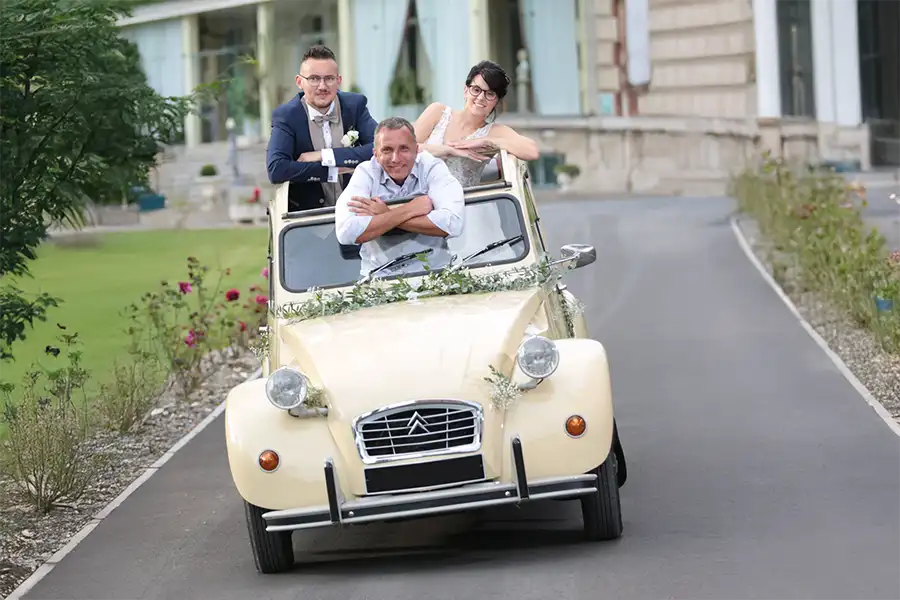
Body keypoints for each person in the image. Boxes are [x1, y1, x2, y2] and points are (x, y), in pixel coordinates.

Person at [335, 117, 465, 277]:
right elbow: (346, 232)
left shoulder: (432, 167)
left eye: (404, 149)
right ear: (375, 154)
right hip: (380, 276)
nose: (395, 158)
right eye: (387, 150)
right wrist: (410, 210)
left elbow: (453, 223)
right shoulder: (365, 173)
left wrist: (384, 215)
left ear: (417, 150)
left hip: (436, 273)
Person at [266, 45, 378, 212]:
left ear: (338, 81)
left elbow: (381, 148)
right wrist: (333, 171)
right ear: (299, 82)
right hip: (310, 216)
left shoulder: (355, 106)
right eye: (313, 79)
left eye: (329, 78)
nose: (322, 86)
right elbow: (277, 169)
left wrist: (324, 155)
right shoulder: (287, 116)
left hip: (359, 209)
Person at [412, 60, 540, 188]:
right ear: (466, 91)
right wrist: (448, 150)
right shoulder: (438, 112)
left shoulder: (493, 131)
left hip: (463, 199)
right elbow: (405, 148)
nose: (481, 97)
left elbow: (532, 151)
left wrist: (488, 142)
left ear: (497, 102)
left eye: (490, 93)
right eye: (476, 90)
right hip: (417, 193)